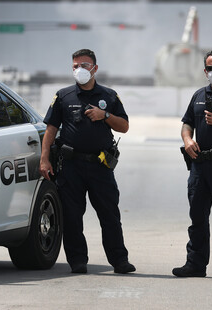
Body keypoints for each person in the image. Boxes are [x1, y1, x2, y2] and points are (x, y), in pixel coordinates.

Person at [39, 49, 136, 274]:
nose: (79, 70)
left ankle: (119, 260)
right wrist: (44, 159)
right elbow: (51, 129)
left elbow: (125, 126)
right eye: (75, 66)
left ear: (95, 69)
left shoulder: (109, 97)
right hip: (70, 165)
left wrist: (106, 116)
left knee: (110, 215)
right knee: (72, 216)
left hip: (100, 165)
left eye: (84, 65)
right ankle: (78, 260)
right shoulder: (63, 96)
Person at [173, 49, 212, 280]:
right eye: (210, 68)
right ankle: (195, 264)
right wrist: (187, 140)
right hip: (200, 166)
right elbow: (187, 124)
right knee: (197, 217)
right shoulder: (198, 94)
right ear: (204, 71)